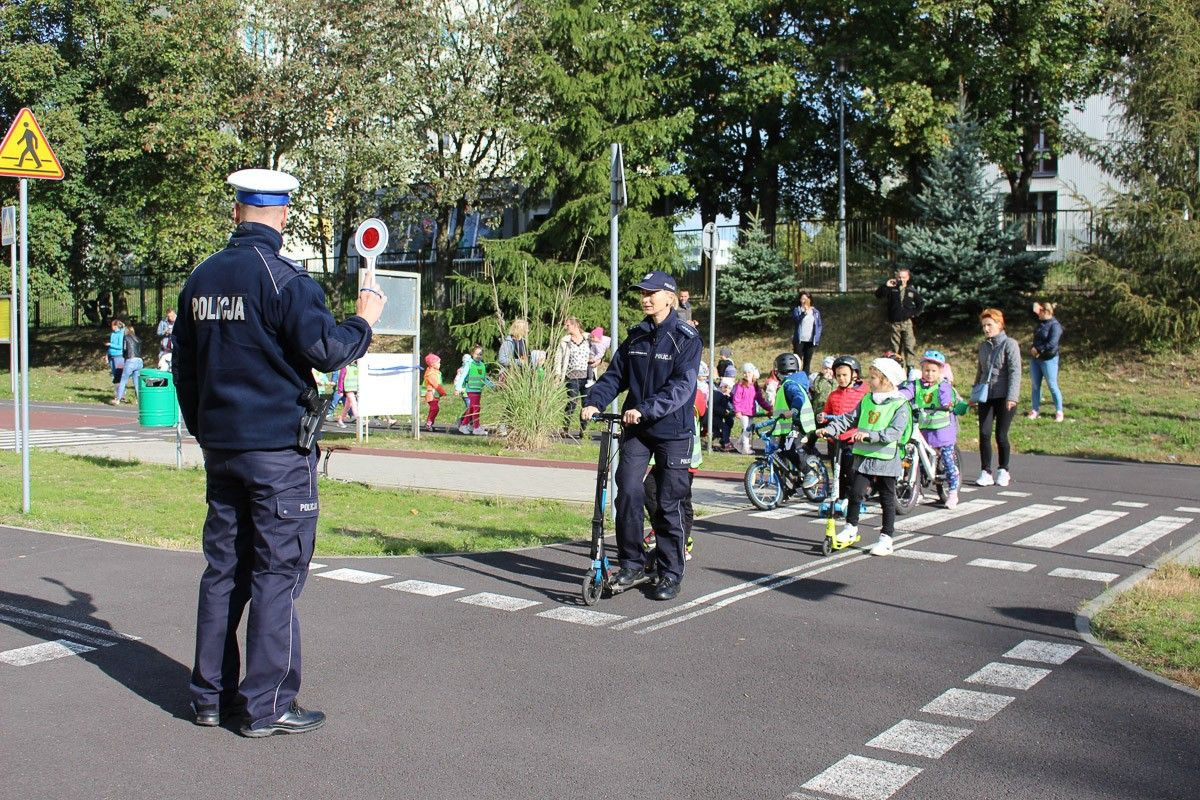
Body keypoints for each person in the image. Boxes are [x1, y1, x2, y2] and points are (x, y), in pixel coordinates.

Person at [173, 168, 385, 737]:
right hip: (277, 454)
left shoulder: (200, 279)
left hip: (223, 451)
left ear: (238, 211)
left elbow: (183, 372)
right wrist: (363, 319)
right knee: (277, 573)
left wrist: (207, 432)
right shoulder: (284, 278)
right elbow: (327, 350)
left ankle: (210, 697)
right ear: (283, 215)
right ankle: (267, 705)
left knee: (223, 572)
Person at [581, 270, 701, 601]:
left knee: (667, 502)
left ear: (670, 298)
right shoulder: (635, 337)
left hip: (672, 432)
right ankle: (632, 564)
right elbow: (614, 376)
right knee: (628, 493)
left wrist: (646, 408)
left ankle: (670, 572)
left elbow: (682, 387)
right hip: (637, 430)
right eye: (642, 293)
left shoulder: (686, 339)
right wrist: (594, 402)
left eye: (651, 293)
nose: (645, 298)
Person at [816, 357, 912, 556]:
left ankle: (886, 538)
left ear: (886, 380)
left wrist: (870, 436)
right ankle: (850, 529)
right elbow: (849, 418)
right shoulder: (868, 399)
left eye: (874, 378)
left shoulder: (900, 404)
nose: (870, 381)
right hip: (864, 457)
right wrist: (830, 429)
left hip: (886, 459)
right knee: (855, 492)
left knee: (887, 498)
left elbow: (894, 432)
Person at [642, 385, 705, 562]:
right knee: (649, 490)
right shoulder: (660, 388)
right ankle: (663, 532)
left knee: (681, 501)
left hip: (685, 456)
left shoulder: (695, 393)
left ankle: (682, 543)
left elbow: (701, 416)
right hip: (663, 454)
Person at [902, 350, 962, 508]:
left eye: (933, 371)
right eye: (926, 370)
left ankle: (953, 491)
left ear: (940, 371)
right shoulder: (916, 384)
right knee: (920, 458)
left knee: (948, 459)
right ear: (921, 370)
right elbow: (906, 393)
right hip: (924, 428)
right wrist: (896, 396)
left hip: (943, 430)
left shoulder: (943, 385)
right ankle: (917, 490)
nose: (929, 374)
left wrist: (946, 403)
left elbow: (945, 398)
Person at [971, 308, 1021, 487]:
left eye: (989, 325)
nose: (986, 329)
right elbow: (980, 371)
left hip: (1005, 396)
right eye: (984, 326)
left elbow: (1015, 372)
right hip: (986, 396)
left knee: (1001, 435)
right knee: (984, 433)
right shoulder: (984, 346)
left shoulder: (1010, 344)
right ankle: (985, 471)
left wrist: (1012, 397)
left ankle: (1003, 469)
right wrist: (974, 394)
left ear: (1000, 325)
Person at [821, 355, 869, 514]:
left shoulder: (862, 393)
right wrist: (822, 417)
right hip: (835, 440)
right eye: (838, 375)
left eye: (844, 375)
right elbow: (827, 412)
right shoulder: (833, 395)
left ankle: (857, 500)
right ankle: (840, 499)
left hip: (852, 439)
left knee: (852, 472)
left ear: (854, 374)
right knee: (837, 472)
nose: (841, 379)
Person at [773, 352, 821, 489]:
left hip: (797, 424)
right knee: (781, 451)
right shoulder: (788, 383)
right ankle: (788, 486)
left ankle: (810, 473)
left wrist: (793, 410)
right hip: (787, 425)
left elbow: (798, 398)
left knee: (790, 450)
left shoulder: (790, 384)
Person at [874, 268, 924, 371]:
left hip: (907, 323)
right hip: (894, 323)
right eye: (899, 277)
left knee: (909, 346)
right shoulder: (892, 289)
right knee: (895, 348)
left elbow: (920, 303)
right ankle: (896, 368)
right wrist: (886, 285)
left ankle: (910, 369)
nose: (901, 279)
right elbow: (878, 295)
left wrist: (914, 313)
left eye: (903, 277)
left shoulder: (911, 290)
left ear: (908, 278)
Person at [553, 317, 592, 438]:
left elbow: (600, 347)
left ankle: (583, 430)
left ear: (575, 326)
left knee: (586, 403)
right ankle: (565, 428)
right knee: (572, 401)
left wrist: (598, 360)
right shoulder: (565, 341)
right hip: (571, 376)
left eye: (568, 325)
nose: (566, 327)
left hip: (587, 376)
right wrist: (557, 374)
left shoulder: (589, 338)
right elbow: (558, 358)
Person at [1028, 301, 1065, 422]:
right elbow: (1031, 312)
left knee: (1052, 385)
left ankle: (1059, 411)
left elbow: (1052, 344)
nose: (1037, 314)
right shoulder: (1041, 322)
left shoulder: (1055, 326)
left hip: (1049, 359)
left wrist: (1038, 349)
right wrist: (1034, 305)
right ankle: (1035, 409)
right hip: (1036, 360)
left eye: (1040, 312)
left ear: (1046, 312)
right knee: (1035, 385)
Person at [732, 362, 772, 454]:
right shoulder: (741, 385)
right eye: (745, 373)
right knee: (746, 429)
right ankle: (745, 449)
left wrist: (769, 408)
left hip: (750, 411)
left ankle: (738, 443)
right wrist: (737, 410)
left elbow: (760, 400)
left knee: (748, 429)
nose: (746, 375)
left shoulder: (755, 386)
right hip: (743, 412)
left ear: (753, 373)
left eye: (749, 372)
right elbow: (736, 398)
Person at [789, 291, 823, 374]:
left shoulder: (815, 312)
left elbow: (819, 325)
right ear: (800, 300)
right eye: (802, 298)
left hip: (811, 340)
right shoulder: (797, 310)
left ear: (810, 299)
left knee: (807, 362)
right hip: (799, 340)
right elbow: (796, 320)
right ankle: (796, 377)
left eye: (806, 298)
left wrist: (817, 337)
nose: (804, 300)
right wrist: (804, 313)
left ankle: (805, 378)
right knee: (797, 361)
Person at [460, 344, 491, 435]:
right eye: (477, 354)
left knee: (473, 408)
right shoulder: (469, 364)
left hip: (478, 390)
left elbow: (484, 378)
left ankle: (465, 425)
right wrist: (458, 388)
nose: (479, 356)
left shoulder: (482, 365)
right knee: (476, 408)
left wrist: (493, 385)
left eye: (480, 354)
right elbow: (463, 376)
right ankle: (475, 427)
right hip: (470, 390)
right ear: (472, 354)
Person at [112, 324, 144, 405]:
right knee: (137, 382)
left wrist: (124, 357)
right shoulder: (138, 339)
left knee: (123, 380)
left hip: (130, 360)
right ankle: (139, 399)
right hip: (139, 360)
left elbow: (125, 349)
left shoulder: (126, 338)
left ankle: (118, 399)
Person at [423, 353, 447, 431]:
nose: (440, 364)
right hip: (431, 394)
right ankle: (429, 423)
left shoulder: (435, 372)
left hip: (434, 394)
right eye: (438, 362)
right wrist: (443, 392)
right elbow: (436, 385)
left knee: (434, 409)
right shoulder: (431, 374)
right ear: (433, 364)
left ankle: (429, 423)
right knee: (435, 408)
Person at [334, 362, 359, 428]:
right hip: (347, 388)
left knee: (348, 405)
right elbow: (341, 379)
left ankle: (340, 421)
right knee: (354, 402)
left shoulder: (356, 367)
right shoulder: (345, 367)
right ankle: (358, 418)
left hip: (354, 389)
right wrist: (340, 390)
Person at [103, 319, 125, 390]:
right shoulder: (113, 334)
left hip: (118, 356)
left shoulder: (121, 334)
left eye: (113, 326)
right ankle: (116, 391)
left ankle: (121, 392)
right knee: (114, 374)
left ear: (116, 326)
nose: (111, 327)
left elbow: (120, 346)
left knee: (119, 374)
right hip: (111, 355)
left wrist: (110, 344)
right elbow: (110, 346)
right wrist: (107, 354)